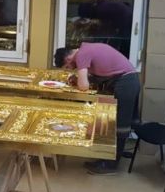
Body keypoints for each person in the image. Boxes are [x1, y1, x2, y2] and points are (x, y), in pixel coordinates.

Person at [54, 42, 140, 175]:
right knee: (110, 122)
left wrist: (80, 79)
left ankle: (110, 165)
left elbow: (84, 87)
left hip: (126, 83)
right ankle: (106, 157)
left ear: (68, 59)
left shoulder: (81, 55)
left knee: (119, 125)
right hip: (126, 80)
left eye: (67, 67)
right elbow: (101, 72)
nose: (70, 69)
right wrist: (80, 78)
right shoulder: (86, 49)